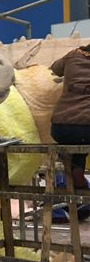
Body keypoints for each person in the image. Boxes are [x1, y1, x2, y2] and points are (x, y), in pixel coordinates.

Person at [50, 45, 90, 189]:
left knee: (76, 143)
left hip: (59, 128)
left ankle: (74, 175)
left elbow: (55, 68)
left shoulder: (73, 55)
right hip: (86, 128)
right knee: (82, 137)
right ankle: (77, 176)